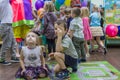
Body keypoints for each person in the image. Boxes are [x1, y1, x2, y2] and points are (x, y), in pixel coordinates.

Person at [0, 0, 19, 65]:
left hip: (8, 25)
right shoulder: (3, 1)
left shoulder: (6, 3)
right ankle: (2, 58)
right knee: (7, 43)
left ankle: (13, 57)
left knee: (13, 42)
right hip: (6, 25)